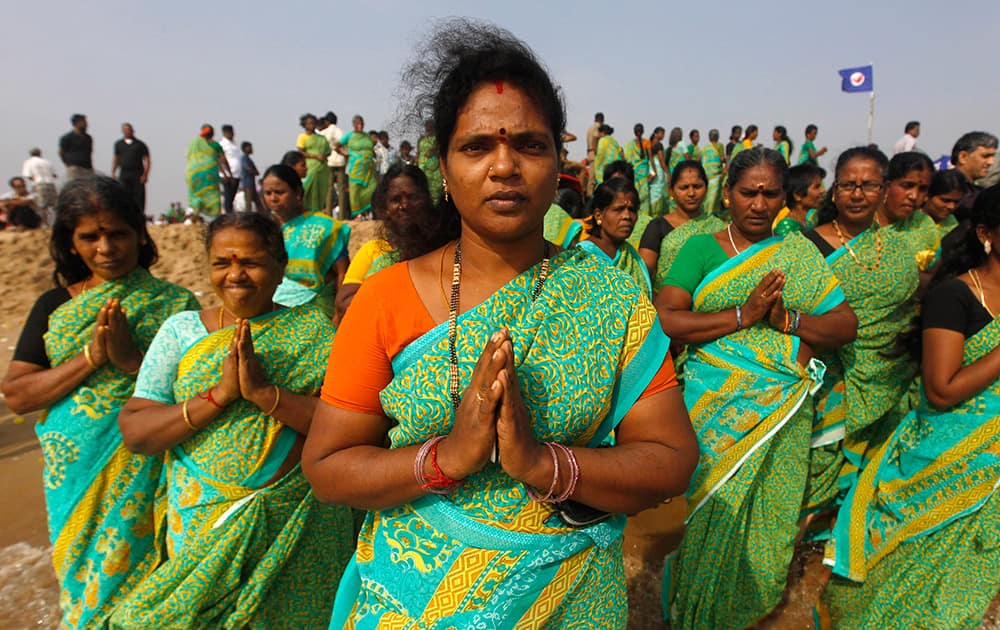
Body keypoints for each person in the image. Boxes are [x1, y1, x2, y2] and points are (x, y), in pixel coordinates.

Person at [302, 19, 698, 628]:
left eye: (531, 146)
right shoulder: (386, 299)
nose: (505, 166)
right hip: (414, 601)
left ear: (560, 161)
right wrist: (445, 459)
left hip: (568, 599)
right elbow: (328, 467)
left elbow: (670, 459)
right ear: (443, 163)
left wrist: (544, 465)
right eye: (477, 146)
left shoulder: (614, 298)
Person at [110, 212, 353, 628]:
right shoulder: (181, 332)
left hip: (297, 526)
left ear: (281, 268)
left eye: (251, 262)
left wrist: (266, 395)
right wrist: (218, 398)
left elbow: (347, 426)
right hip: (202, 527)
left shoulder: (318, 333)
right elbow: (136, 431)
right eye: (222, 263)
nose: (235, 275)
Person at [657, 147, 857, 630]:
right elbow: (666, 319)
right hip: (715, 405)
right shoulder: (701, 248)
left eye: (771, 194)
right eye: (749, 192)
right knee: (711, 508)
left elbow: (844, 324)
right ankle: (696, 611)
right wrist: (742, 316)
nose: (759, 204)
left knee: (771, 504)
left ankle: (746, 606)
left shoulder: (798, 253)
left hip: (782, 405)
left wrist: (788, 320)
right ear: (728, 194)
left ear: (784, 198)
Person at [0, 176, 198, 627]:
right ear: (71, 244)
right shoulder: (53, 305)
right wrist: (91, 357)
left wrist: (131, 361)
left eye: (117, 233)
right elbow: (17, 393)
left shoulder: (176, 305)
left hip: (149, 462)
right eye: (90, 236)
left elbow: (196, 391)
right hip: (76, 471)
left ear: (138, 235)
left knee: (152, 585)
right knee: (83, 582)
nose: (106, 247)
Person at [821, 185, 1000, 628]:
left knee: (962, 595)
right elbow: (941, 389)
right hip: (944, 461)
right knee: (897, 589)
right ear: (985, 234)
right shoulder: (954, 298)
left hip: (992, 478)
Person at [801, 147, 920, 514]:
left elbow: (906, 318)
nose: (857, 194)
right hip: (823, 389)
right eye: (848, 184)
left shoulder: (898, 249)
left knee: (869, 491)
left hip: (889, 384)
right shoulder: (806, 246)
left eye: (868, 185)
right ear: (834, 191)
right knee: (812, 490)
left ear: (883, 191)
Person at [336, 163, 435, 316]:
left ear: (426, 200)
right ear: (386, 209)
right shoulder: (373, 250)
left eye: (412, 197)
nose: (404, 205)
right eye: (396, 200)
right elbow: (344, 303)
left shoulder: (440, 251)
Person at [261, 164, 350, 317]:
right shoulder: (265, 230)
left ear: (297, 192)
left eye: (279, 192)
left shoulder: (325, 227)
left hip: (316, 311)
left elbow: (343, 273)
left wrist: (339, 314)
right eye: (268, 193)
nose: (273, 198)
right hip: (273, 309)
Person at [640, 160, 722, 289]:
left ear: (706, 187)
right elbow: (644, 274)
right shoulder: (657, 227)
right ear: (671, 190)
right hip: (664, 303)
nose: (691, 193)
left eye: (697, 186)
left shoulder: (719, 227)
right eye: (684, 187)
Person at [578, 177, 652, 296]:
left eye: (632, 210)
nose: (627, 216)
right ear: (598, 215)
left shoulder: (630, 256)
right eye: (619, 209)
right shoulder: (583, 256)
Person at [878, 152, 938, 273]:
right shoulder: (861, 221)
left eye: (922, 189)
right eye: (907, 185)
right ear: (887, 185)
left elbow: (930, 275)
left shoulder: (924, 226)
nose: (914, 196)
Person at [333, 115, 377, 218]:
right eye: (358, 124)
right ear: (353, 125)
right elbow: (336, 146)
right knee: (355, 190)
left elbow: (371, 148)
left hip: (368, 168)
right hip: (355, 167)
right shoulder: (349, 136)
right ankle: (358, 214)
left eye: (362, 123)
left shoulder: (366, 136)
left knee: (371, 188)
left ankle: (366, 211)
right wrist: (345, 154)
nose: (360, 126)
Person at [185, 124, 231, 218]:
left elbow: (188, 156)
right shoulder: (215, 145)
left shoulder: (195, 143)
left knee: (196, 193)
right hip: (210, 175)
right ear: (213, 133)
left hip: (193, 174)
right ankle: (215, 215)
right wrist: (228, 173)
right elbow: (221, 160)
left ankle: (197, 204)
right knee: (212, 194)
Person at [952, 131, 999, 214]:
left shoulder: (980, 191)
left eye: (992, 156)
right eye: (985, 156)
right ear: (963, 157)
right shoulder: (943, 184)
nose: (991, 162)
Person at [773, 163, 826, 235]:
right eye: (817, 187)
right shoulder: (786, 228)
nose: (822, 191)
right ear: (798, 195)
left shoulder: (808, 223)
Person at [296, 114, 332, 214]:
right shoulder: (302, 137)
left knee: (321, 190)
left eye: (313, 123)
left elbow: (329, 151)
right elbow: (300, 151)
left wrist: (323, 156)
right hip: (310, 166)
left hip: (322, 168)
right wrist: (315, 156)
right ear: (305, 125)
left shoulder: (321, 138)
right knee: (307, 188)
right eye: (309, 123)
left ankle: (317, 211)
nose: (311, 125)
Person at [111, 123, 151, 214]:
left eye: (128, 129)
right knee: (124, 195)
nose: (127, 131)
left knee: (139, 196)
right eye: (125, 130)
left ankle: (139, 215)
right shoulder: (119, 144)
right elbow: (116, 158)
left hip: (137, 173)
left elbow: (147, 160)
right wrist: (113, 172)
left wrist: (145, 174)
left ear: (132, 131)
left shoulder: (140, 144)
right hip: (124, 173)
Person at [319, 111, 349, 217]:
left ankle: (329, 214)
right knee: (341, 189)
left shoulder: (323, 133)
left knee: (329, 189)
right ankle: (341, 215)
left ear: (327, 121)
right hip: (340, 162)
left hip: (328, 162)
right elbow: (345, 146)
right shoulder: (340, 132)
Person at [21, 147, 58, 219]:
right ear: (40, 153)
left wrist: (34, 180)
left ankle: (45, 223)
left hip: (39, 183)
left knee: (42, 205)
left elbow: (28, 175)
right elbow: (54, 175)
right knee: (54, 205)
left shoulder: (29, 162)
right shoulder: (47, 162)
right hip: (50, 184)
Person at [624, 123, 652, 215]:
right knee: (645, 194)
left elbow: (627, 159)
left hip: (634, 172)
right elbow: (650, 158)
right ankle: (644, 214)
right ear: (642, 131)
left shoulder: (629, 145)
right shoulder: (647, 142)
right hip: (644, 172)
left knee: (636, 192)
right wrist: (653, 172)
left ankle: (636, 212)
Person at [59, 114, 93, 181]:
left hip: (87, 169)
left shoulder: (88, 138)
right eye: (84, 122)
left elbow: (90, 153)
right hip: (74, 169)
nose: (86, 125)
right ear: (77, 123)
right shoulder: (67, 138)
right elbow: (61, 153)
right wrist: (69, 164)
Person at [417, 119, 444, 203]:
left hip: (434, 167)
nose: (428, 128)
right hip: (422, 166)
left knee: (436, 189)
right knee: (424, 188)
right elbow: (418, 152)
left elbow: (441, 150)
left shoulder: (438, 138)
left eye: (430, 126)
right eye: (427, 126)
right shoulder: (421, 139)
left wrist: (433, 153)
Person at [701, 129, 726, 216]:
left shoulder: (704, 148)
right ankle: (711, 216)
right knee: (713, 199)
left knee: (709, 199)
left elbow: (701, 160)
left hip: (707, 177)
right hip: (715, 177)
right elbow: (722, 159)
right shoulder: (719, 146)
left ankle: (708, 216)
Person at [219, 124, 242, 213]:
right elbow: (219, 160)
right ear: (226, 132)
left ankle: (230, 214)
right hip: (228, 175)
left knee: (232, 198)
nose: (232, 134)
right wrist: (225, 174)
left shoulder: (234, 144)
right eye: (230, 132)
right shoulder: (222, 144)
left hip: (236, 174)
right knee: (228, 198)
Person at [648, 126, 668, 215]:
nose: (663, 136)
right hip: (658, 170)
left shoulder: (649, 144)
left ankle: (651, 210)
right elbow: (662, 161)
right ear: (656, 134)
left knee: (653, 189)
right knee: (658, 190)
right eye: (662, 133)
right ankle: (657, 212)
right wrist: (668, 173)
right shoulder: (659, 145)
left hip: (651, 169)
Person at [586, 112, 604, 196]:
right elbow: (595, 137)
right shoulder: (598, 127)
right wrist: (596, 150)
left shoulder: (590, 128)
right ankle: (590, 197)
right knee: (594, 178)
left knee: (591, 178)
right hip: (595, 154)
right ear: (602, 120)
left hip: (590, 153)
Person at [239, 141, 259, 212]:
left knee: (258, 202)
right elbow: (247, 168)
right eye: (250, 147)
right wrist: (254, 171)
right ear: (245, 148)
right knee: (248, 203)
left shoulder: (248, 159)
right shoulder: (244, 158)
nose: (251, 149)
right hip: (248, 184)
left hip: (251, 184)